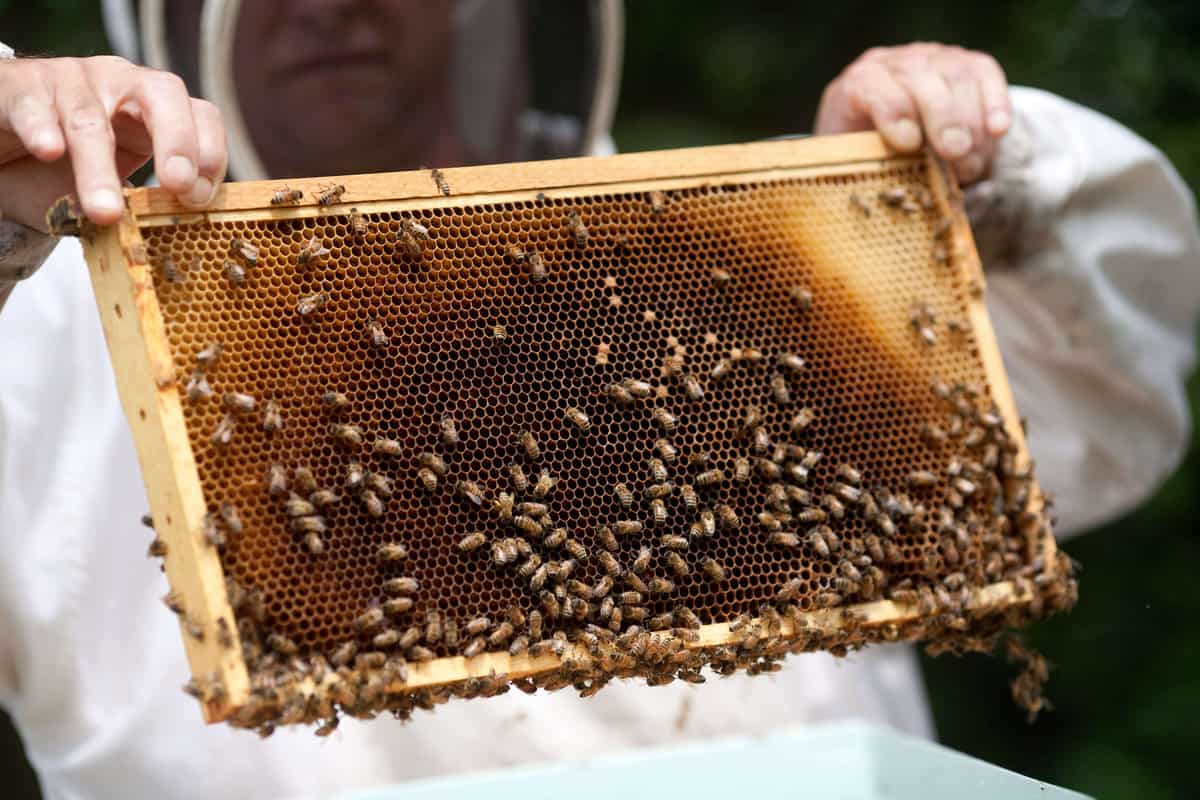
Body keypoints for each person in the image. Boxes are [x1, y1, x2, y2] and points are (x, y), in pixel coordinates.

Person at [1, 2, 1197, 797]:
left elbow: (1109, 389)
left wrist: (951, 194)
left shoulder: (741, 259)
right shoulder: (62, 319)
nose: (328, 5)